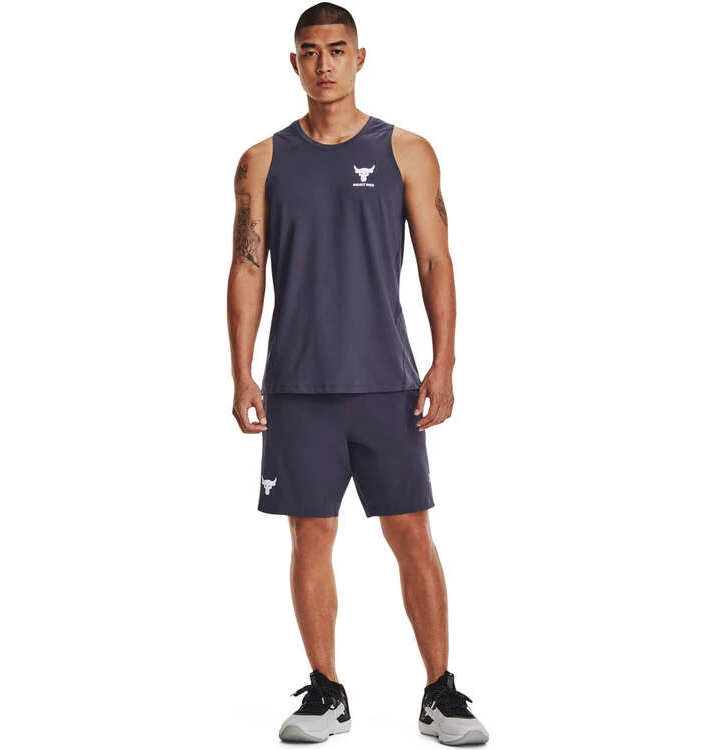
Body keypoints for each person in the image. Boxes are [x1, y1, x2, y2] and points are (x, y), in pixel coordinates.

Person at [227, 3, 489, 745]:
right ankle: (326, 692)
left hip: (386, 381)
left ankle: (441, 693)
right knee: (310, 536)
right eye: (310, 52)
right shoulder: (262, 160)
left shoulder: (407, 150)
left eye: (337, 50)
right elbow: (247, 267)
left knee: (411, 532)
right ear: (294, 63)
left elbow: (435, 260)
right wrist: (242, 374)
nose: (324, 65)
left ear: (360, 58)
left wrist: (444, 361)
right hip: (297, 384)